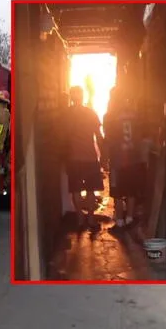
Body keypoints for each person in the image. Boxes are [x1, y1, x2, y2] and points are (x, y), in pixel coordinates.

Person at [62, 85, 105, 230]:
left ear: (71, 97)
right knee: (91, 189)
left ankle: (80, 218)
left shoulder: (66, 114)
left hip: (73, 158)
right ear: (82, 97)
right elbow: (99, 136)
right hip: (90, 158)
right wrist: (104, 156)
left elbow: (62, 136)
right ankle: (91, 219)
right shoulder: (90, 113)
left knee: (76, 190)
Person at [103, 87, 143, 229]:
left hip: (118, 160)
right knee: (131, 190)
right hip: (133, 159)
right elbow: (140, 135)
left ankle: (119, 219)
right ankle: (130, 218)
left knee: (118, 192)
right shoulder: (134, 114)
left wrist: (104, 158)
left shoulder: (109, 116)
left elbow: (107, 139)